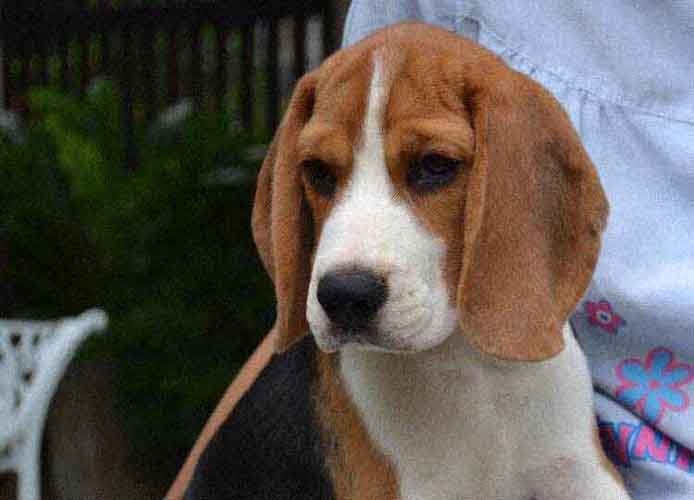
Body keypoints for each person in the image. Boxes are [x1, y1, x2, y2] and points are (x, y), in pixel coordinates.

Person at [167, 2, 693, 499]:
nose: (349, 267)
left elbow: (579, 480)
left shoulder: (538, 331)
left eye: (434, 166)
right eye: (322, 174)